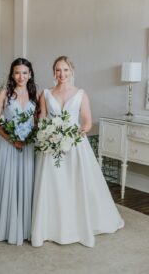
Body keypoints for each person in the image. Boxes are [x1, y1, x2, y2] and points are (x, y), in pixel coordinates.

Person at [31, 56, 124, 248]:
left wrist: (73, 134)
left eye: (65, 70)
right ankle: (53, 226)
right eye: (58, 70)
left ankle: (80, 224)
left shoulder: (81, 94)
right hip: (51, 145)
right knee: (54, 184)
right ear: (53, 72)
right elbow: (42, 119)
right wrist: (49, 134)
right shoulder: (45, 94)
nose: (61, 74)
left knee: (76, 183)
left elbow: (87, 122)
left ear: (71, 71)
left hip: (74, 144)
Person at [0, 57, 38, 245]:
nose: (21, 76)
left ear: (30, 74)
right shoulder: (5, 93)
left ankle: (26, 227)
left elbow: (38, 122)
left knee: (28, 183)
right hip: (8, 146)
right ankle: (6, 227)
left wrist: (33, 135)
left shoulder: (35, 95)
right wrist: (11, 139)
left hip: (29, 146)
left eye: (24, 72)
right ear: (12, 74)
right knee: (8, 182)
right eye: (17, 72)